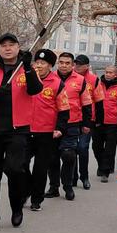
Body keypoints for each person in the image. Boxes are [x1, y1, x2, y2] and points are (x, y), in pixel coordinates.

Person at [0, 33, 42, 231]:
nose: (7, 48)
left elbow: (35, 90)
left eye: (11, 45)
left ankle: (16, 208)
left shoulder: (26, 67)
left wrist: (29, 68)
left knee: (15, 170)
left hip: (18, 130)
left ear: (18, 47)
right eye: (3, 45)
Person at [46, 52, 92, 199]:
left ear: (73, 65)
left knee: (68, 155)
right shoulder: (49, 78)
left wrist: (86, 123)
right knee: (51, 158)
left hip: (72, 124)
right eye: (61, 62)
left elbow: (86, 103)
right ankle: (54, 187)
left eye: (67, 63)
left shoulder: (80, 80)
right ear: (57, 64)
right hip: (51, 124)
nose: (64, 65)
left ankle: (67, 186)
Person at [28, 49, 69, 209]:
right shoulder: (27, 79)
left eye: (42, 63)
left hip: (46, 131)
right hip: (25, 129)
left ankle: (36, 200)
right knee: (19, 164)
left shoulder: (57, 83)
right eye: (37, 62)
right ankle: (26, 189)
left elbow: (64, 108)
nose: (39, 65)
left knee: (40, 167)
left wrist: (60, 128)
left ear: (50, 66)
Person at [92, 65, 117, 182]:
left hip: (113, 123)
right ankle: (101, 164)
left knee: (109, 148)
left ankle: (105, 171)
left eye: (111, 72)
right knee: (96, 146)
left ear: (115, 74)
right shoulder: (98, 85)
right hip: (98, 122)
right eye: (107, 72)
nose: (108, 74)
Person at [73, 54, 104, 186]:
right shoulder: (69, 77)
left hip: (87, 119)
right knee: (72, 149)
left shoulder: (94, 80)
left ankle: (84, 177)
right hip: (72, 119)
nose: (77, 66)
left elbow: (99, 101)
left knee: (83, 147)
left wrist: (98, 120)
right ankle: (72, 178)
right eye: (76, 64)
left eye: (80, 64)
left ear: (87, 66)